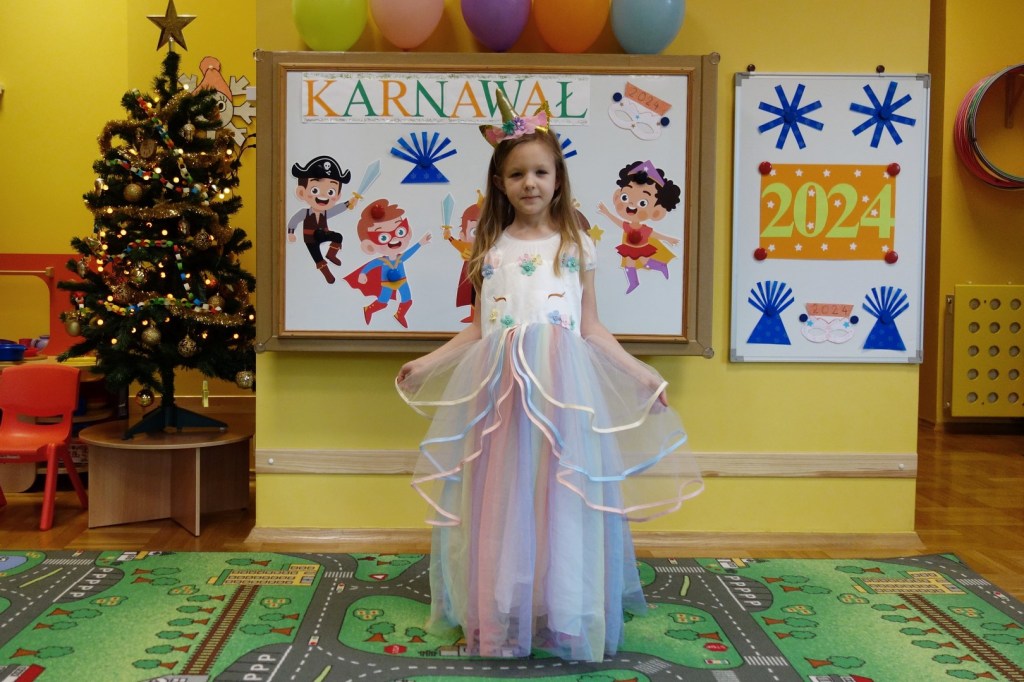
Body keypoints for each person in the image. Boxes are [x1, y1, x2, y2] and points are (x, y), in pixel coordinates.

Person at [395, 92, 703, 662]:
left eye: (540, 172)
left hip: (565, 397)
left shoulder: (576, 246)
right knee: (502, 501)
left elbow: (591, 327)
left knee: (561, 499)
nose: (529, 183)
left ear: (558, 179)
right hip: (502, 398)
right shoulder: (489, 248)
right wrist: (427, 363)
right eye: (517, 174)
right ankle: (504, 607)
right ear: (500, 183)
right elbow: (479, 328)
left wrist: (641, 374)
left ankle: (564, 608)